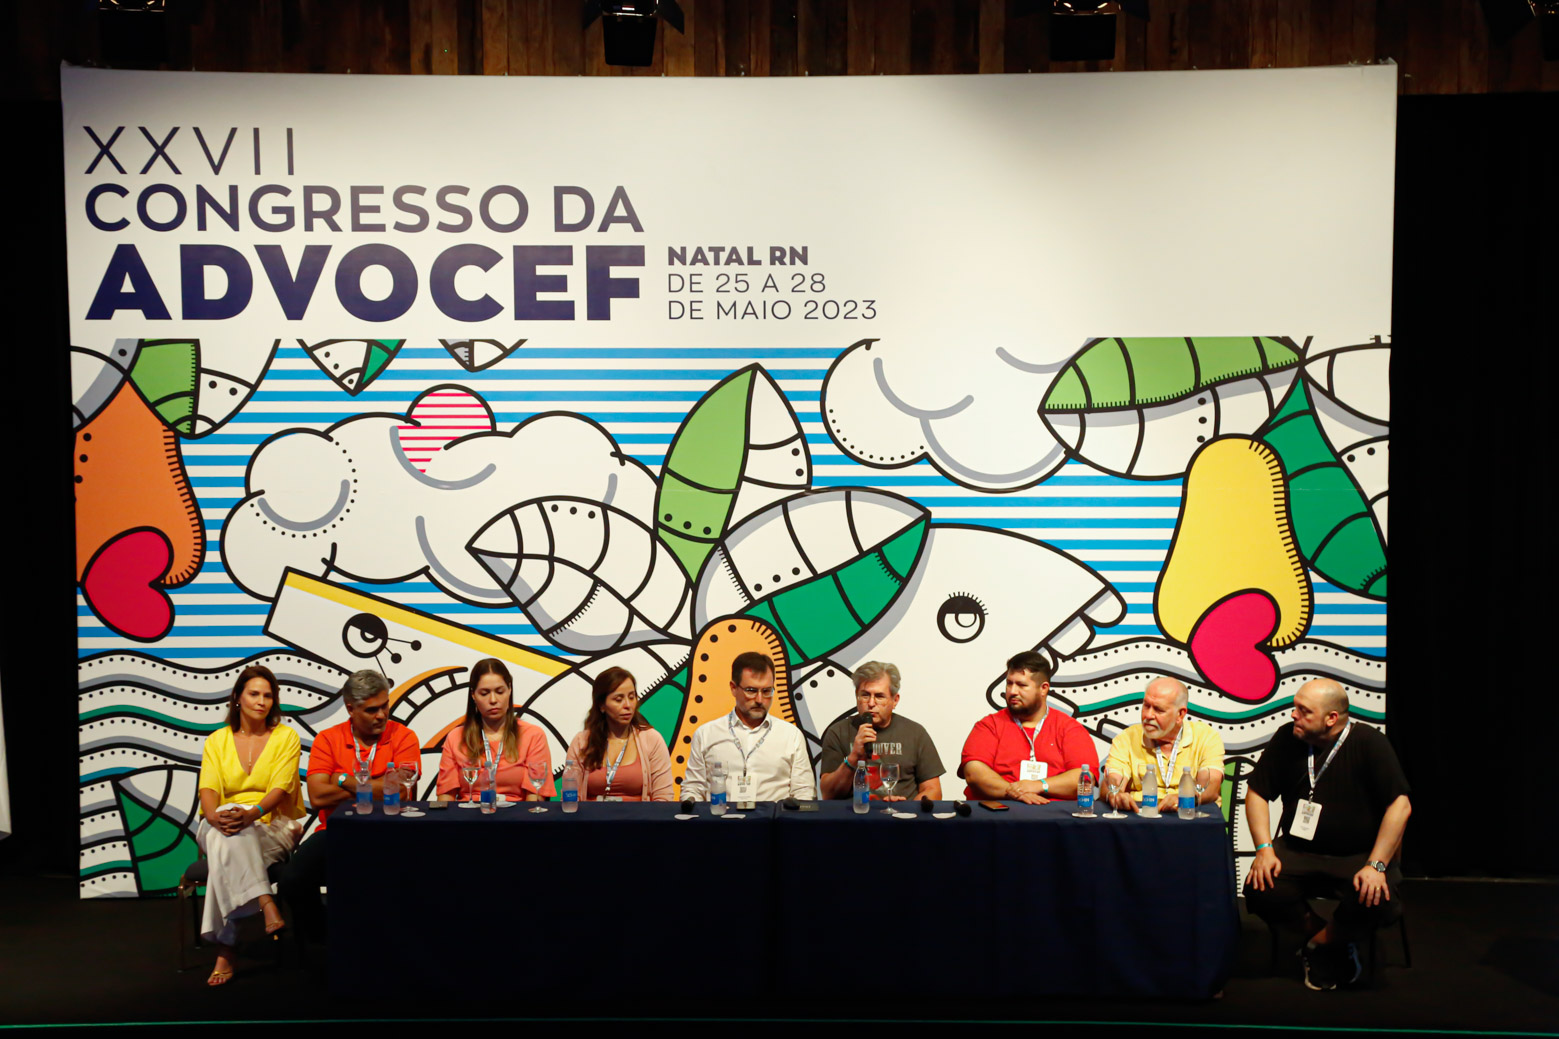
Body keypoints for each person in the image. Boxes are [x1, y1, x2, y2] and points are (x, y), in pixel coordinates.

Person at [1244, 678, 1412, 991]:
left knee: (1378, 898)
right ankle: (1330, 940)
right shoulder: (1287, 738)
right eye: (1295, 707)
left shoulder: (1369, 743)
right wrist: (1264, 849)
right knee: (1261, 888)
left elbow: (1400, 805)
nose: (1293, 715)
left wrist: (1376, 864)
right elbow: (1256, 792)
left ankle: (1319, 945)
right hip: (1298, 850)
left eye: (1304, 711)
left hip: (1359, 855)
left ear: (1331, 718)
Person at [280, 669, 420, 945]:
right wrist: (377, 785)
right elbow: (317, 796)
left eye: (385, 706)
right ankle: (323, 942)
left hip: (390, 830)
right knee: (292, 880)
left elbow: (399, 791)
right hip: (337, 830)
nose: (381, 715)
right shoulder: (328, 739)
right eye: (371, 710)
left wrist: (344, 779)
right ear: (350, 709)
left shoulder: (404, 737)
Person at [196, 664, 304, 986]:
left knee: (227, 849)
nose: (261, 701)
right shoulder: (217, 740)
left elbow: (281, 788)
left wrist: (251, 814)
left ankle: (226, 950)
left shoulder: (286, 737)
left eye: (268, 696)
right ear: (237, 697)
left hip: (273, 824)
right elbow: (208, 789)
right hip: (221, 823)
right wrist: (214, 817)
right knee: (228, 831)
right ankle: (265, 900)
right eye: (254, 694)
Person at [958, 651, 1098, 802]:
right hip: (998, 811)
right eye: (1009, 683)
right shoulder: (989, 726)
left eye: (1021, 685)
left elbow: (1085, 778)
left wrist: (1039, 785)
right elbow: (974, 773)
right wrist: (1015, 792)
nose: (1012, 691)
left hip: (1053, 813)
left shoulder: (1070, 729)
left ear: (1043, 688)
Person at [680, 651, 815, 802]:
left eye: (766, 691)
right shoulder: (706, 734)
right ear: (733, 688)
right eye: (751, 691)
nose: (759, 699)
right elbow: (692, 789)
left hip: (774, 816)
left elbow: (804, 791)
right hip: (721, 816)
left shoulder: (791, 735)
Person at [818, 661, 944, 801]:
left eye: (879, 696)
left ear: (895, 700)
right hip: (855, 813)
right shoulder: (838, 732)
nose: (871, 703)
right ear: (856, 697)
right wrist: (853, 757)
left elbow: (933, 791)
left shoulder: (915, 733)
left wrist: (907, 809)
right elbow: (828, 795)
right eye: (865, 695)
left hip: (902, 813)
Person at [436, 658, 555, 802]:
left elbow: (535, 798)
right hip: (468, 813)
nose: (493, 700)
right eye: (484, 693)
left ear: (509, 690)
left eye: (499, 691)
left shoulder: (532, 735)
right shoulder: (456, 737)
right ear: (473, 695)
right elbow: (445, 799)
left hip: (516, 814)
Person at [1101, 676, 1225, 812]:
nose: (1148, 715)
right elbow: (1112, 780)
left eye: (1158, 709)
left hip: (1189, 816)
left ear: (1180, 714)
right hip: (1140, 816)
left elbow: (1211, 785)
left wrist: (1184, 799)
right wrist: (1114, 794)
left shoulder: (1206, 737)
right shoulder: (1126, 738)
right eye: (1146, 706)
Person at [564, 667, 675, 801]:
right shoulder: (582, 741)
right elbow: (569, 798)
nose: (628, 705)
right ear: (602, 705)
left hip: (640, 814)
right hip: (591, 814)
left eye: (632, 697)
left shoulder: (651, 739)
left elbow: (664, 798)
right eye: (618, 699)